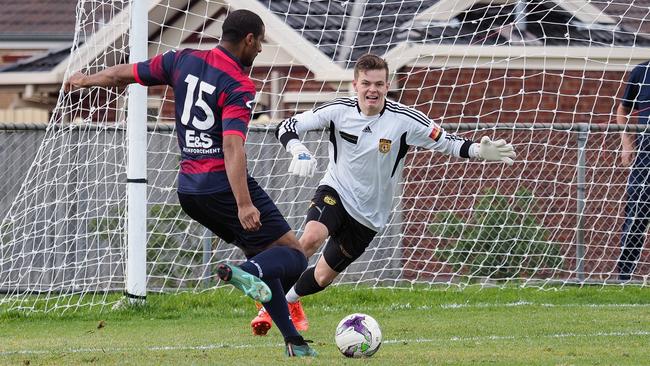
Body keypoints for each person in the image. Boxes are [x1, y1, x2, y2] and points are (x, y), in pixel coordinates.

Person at [64, 9, 316, 357]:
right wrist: (244, 203)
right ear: (249, 39)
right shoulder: (238, 84)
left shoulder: (181, 59)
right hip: (222, 185)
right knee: (294, 255)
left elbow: (126, 73)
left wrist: (86, 79)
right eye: (260, 43)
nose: (260, 50)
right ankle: (245, 271)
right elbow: (232, 145)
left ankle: (294, 341)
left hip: (189, 191)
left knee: (266, 256)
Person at [249, 53, 516, 335]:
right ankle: (268, 302)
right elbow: (287, 126)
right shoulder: (338, 110)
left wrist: (478, 151)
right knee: (312, 237)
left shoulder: (405, 120)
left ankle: (290, 301)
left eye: (378, 84)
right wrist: (298, 149)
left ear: (387, 86)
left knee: (323, 276)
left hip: (369, 215)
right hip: (336, 192)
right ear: (355, 85)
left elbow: (447, 142)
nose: (372, 90)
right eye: (366, 83)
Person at [616, 61, 650, 282]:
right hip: (645, 160)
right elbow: (623, 109)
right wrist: (627, 143)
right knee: (636, 216)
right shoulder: (641, 71)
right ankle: (624, 276)